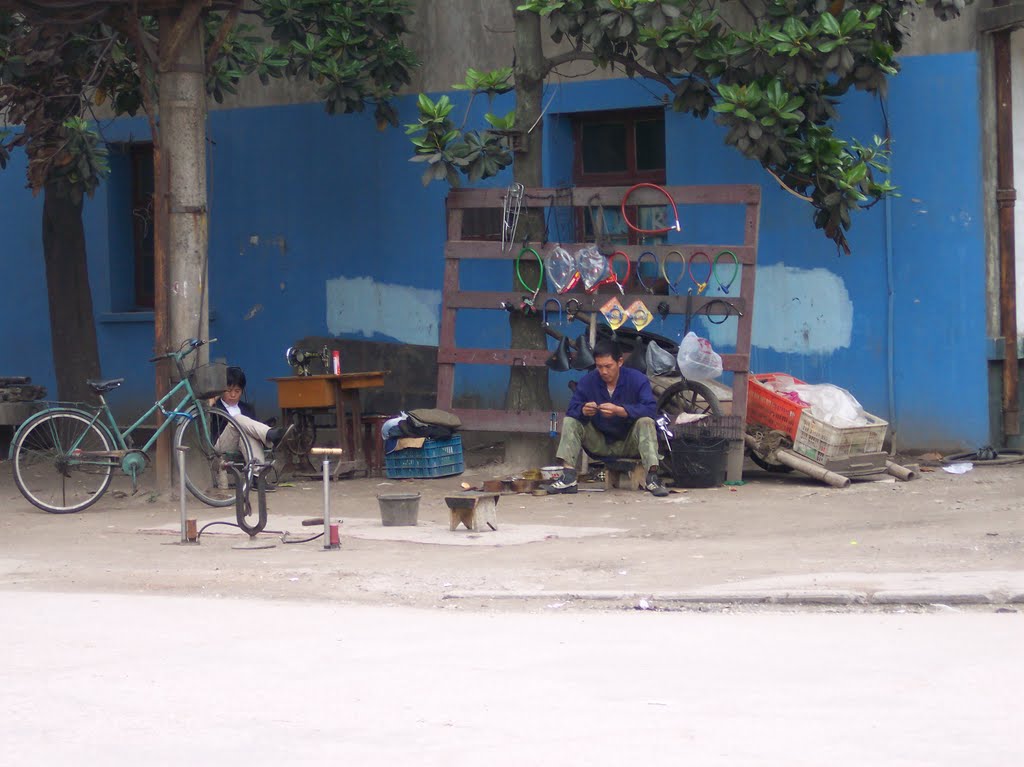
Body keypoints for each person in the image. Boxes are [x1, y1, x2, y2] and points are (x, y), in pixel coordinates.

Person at [547, 338, 669, 497]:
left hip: (631, 443)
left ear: (620, 362)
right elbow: (572, 410)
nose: (604, 371)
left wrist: (620, 410)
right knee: (571, 420)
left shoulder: (637, 379)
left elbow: (651, 409)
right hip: (600, 443)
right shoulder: (588, 381)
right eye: (599, 367)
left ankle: (652, 478)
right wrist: (583, 410)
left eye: (608, 366)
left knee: (646, 421)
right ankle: (569, 477)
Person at [212, 366, 289, 464]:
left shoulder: (247, 408)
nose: (233, 395)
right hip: (222, 445)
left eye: (237, 391)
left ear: (242, 391)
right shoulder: (215, 408)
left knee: (248, 435)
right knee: (237, 419)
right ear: (222, 390)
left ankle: (256, 474)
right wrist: (212, 400)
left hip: (244, 443)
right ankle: (270, 434)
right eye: (228, 390)